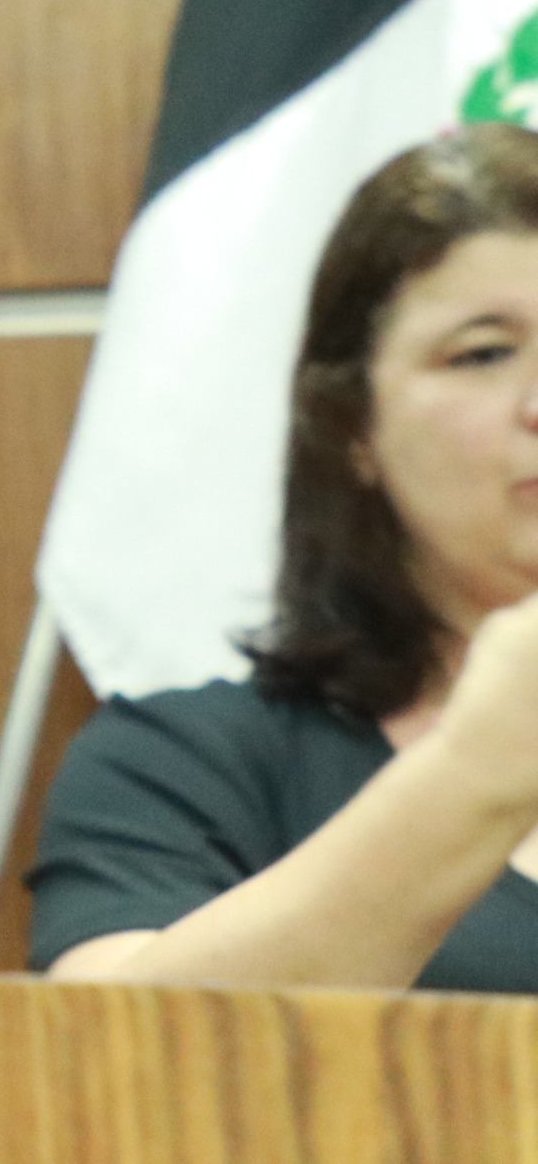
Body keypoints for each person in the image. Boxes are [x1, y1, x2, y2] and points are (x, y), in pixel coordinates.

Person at [33, 120, 538, 990]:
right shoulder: (188, 761)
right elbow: (106, 1051)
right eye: (484, 352)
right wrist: (478, 769)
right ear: (352, 424)